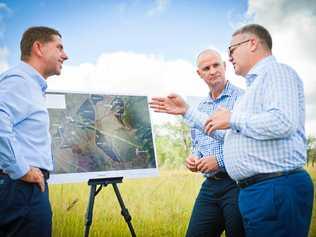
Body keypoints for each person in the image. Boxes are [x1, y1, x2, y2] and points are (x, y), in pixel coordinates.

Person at [204, 24, 314, 237]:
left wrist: (232, 119)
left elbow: (282, 121)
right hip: (259, 191)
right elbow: (232, 132)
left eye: (231, 50)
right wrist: (187, 111)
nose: (230, 57)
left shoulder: (277, 73)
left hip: (274, 188)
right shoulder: (252, 90)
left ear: (252, 43)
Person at [150, 49, 245, 237]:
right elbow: (198, 144)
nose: (212, 71)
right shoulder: (200, 107)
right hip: (210, 185)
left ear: (225, 66)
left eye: (216, 65)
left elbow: (246, 143)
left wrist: (220, 160)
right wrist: (194, 158)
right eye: (206, 68)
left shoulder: (243, 99)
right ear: (199, 74)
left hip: (237, 184)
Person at [0, 26, 68, 237]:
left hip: (21, 189)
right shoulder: (20, 81)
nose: (65, 55)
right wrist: (21, 169)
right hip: (20, 189)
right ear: (38, 47)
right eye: (59, 47)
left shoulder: (29, 85)